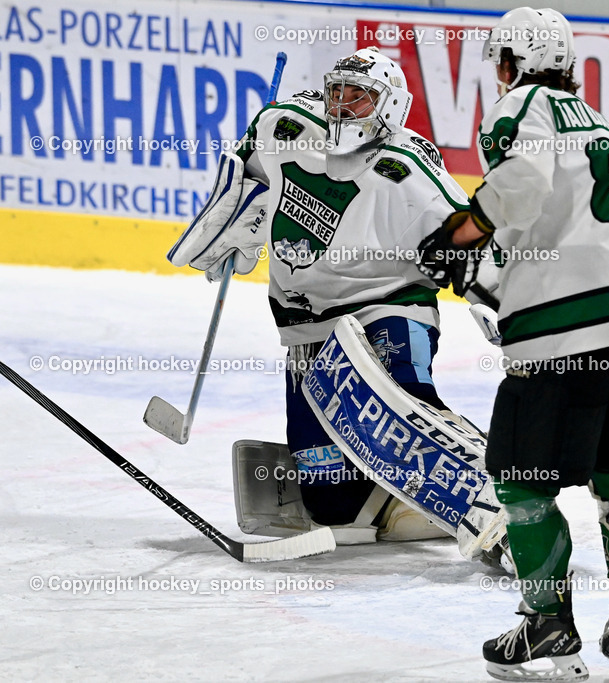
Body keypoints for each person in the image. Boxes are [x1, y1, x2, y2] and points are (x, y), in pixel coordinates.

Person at [417, 7, 609, 682]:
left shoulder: (520, 105)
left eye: (500, 60)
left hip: (568, 328)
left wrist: (461, 233)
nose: (497, 73)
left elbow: (521, 188)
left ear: (514, 62)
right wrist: (493, 259)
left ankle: (547, 624)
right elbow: (564, 223)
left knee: (520, 482)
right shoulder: (599, 123)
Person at [170, 47, 471, 544]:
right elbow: (250, 173)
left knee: (403, 404)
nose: (343, 106)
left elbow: (466, 235)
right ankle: (384, 500)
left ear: (390, 106)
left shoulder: (405, 166)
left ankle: (472, 488)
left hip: (387, 303)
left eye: (360, 97)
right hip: (307, 323)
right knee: (332, 504)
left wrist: (506, 303)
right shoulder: (284, 126)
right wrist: (241, 216)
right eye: (337, 92)